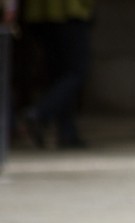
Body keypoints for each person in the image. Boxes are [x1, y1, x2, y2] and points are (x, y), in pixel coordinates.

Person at [8, 0, 95, 149]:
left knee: (58, 74)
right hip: (70, 11)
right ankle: (38, 113)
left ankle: (67, 132)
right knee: (77, 71)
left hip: (39, 14)